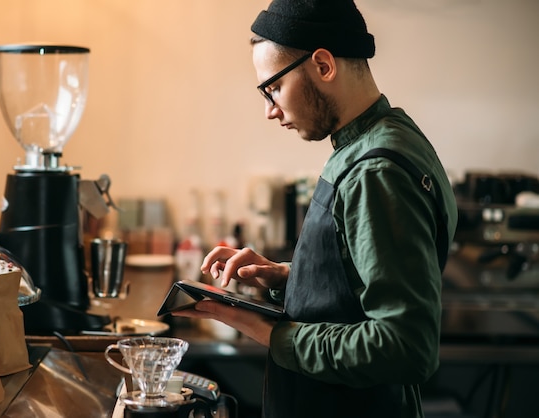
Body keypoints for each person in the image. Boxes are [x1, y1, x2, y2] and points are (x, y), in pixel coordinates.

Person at [174, 1, 458, 417]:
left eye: (273, 88)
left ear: (323, 65)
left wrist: (272, 334)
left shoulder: (375, 172)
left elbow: (405, 347)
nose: (270, 110)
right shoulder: (380, 139)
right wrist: (288, 278)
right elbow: (359, 282)